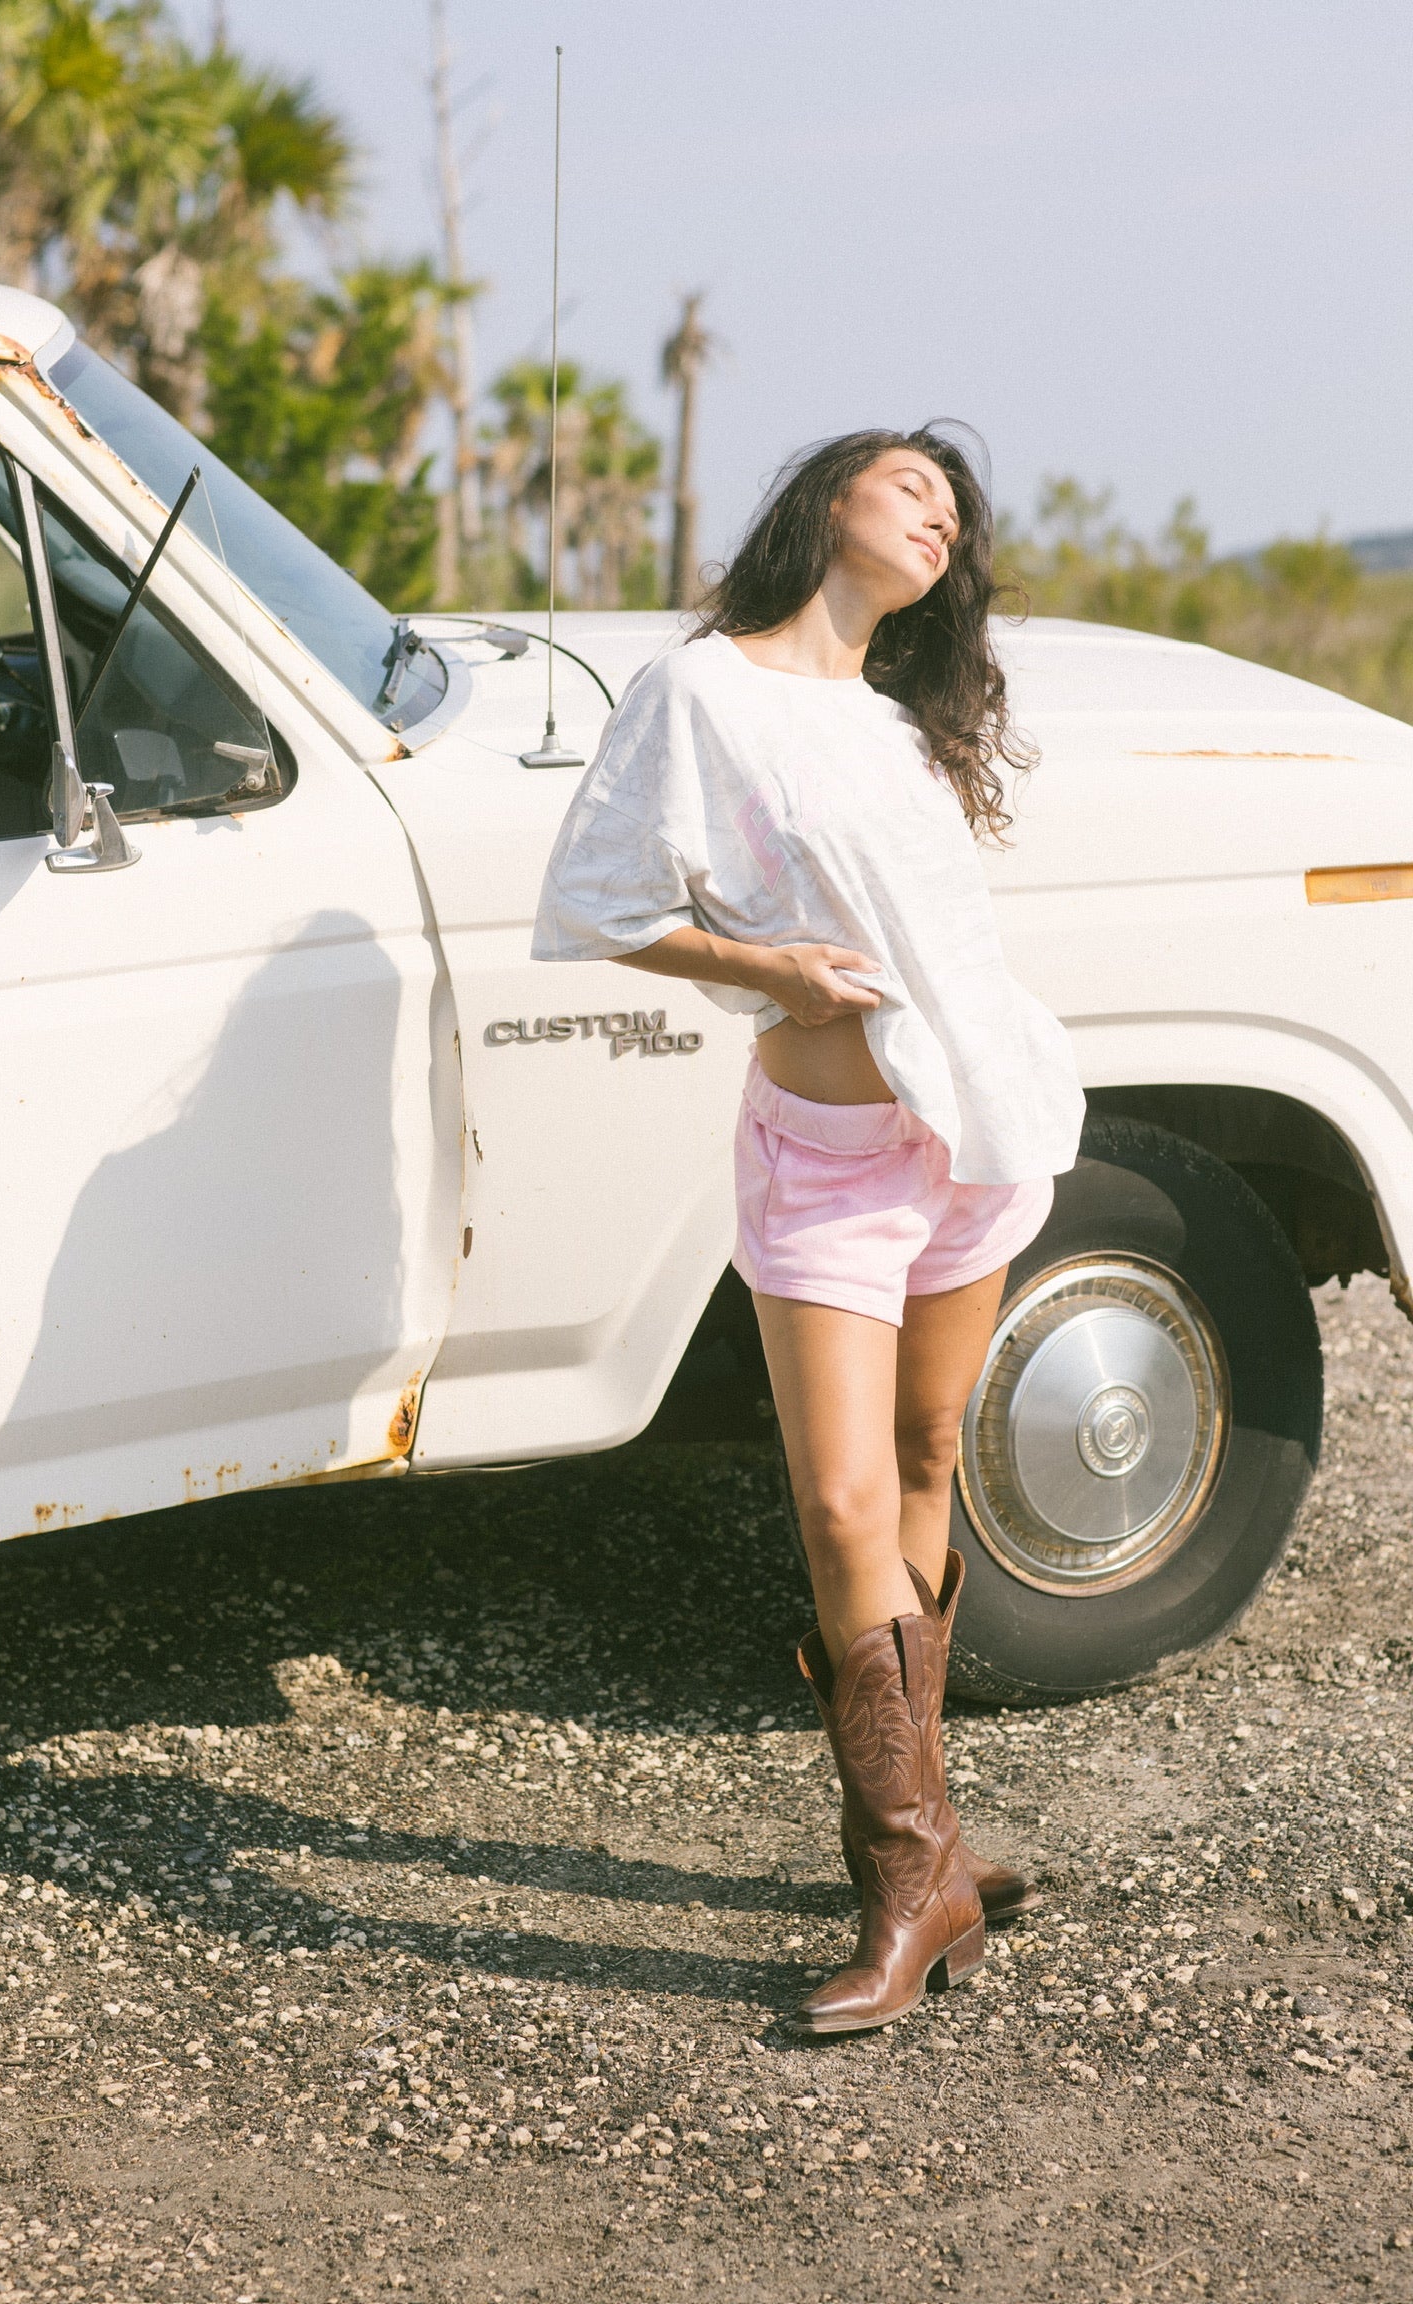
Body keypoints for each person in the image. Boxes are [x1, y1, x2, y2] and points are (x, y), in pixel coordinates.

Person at [532, 428, 1085, 2035]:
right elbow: (599, 899)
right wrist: (767, 973)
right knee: (842, 1499)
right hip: (831, 1150)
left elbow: (954, 942)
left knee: (925, 1458)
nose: (942, 513)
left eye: (957, 509)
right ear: (824, 502)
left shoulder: (901, 728)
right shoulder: (702, 693)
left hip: (971, 1131)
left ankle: (934, 1855)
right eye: (911, 483)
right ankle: (912, 1873)